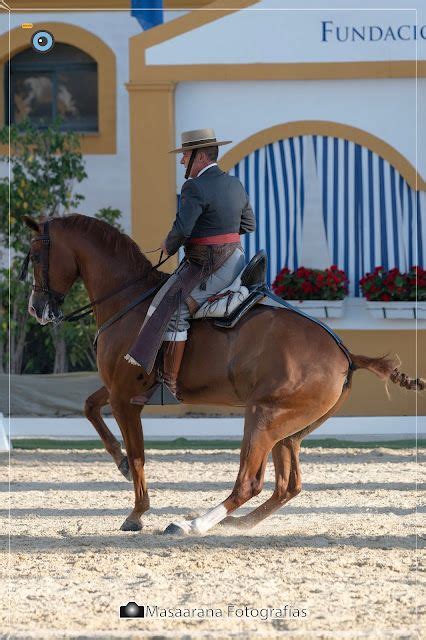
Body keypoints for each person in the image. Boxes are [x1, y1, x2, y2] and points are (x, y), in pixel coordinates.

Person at [126, 128, 256, 403]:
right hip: (236, 260)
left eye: (184, 155)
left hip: (211, 265)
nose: (181, 161)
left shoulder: (194, 186)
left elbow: (182, 229)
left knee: (174, 309)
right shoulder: (236, 184)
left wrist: (168, 245)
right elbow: (248, 225)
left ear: (199, 156)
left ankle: (168, 387)